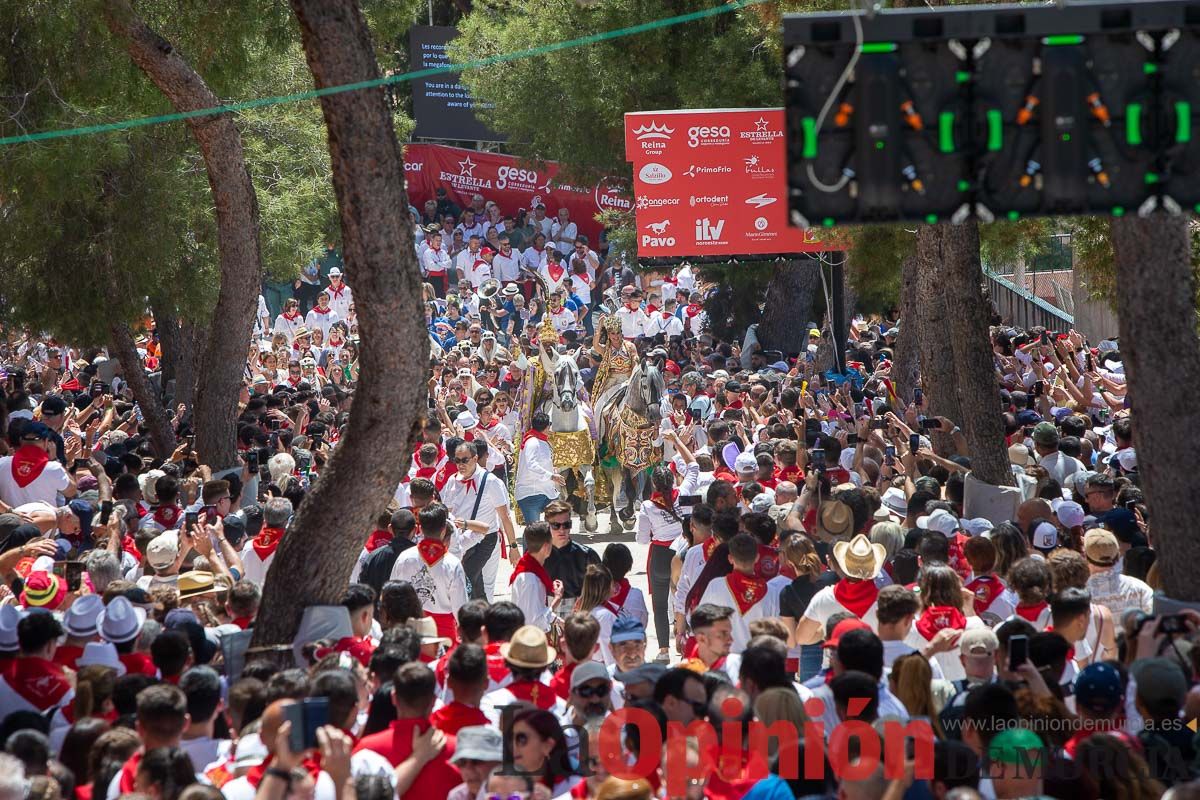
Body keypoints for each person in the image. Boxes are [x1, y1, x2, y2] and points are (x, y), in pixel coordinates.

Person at [440, 441, 519, 602]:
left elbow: (505, 516)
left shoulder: (490, 481)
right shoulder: (452, 481)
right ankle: (484, 615)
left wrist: (513, 546)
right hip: (461, 540)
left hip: (485, 540)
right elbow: (447, 512)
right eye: (457, 460)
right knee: (476, 585)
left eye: (465, 460)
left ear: (475, 458)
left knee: (465, 578)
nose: (460, 464)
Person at [388, 504, 468, 643]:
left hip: (411, 630)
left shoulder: (404, 558)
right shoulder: (453, 564)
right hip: (444, 634)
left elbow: (392, 594)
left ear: (420, 529)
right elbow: (461, 608)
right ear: (443, 531)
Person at [514, 412, 563, 525]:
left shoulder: (543, 441)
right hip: (531, 493)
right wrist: (551, 476)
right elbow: (531, 465)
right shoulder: (532, 442)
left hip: (547, 492)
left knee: (557, 521)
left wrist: (552, 470)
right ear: (546, 427)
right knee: (534, 533)